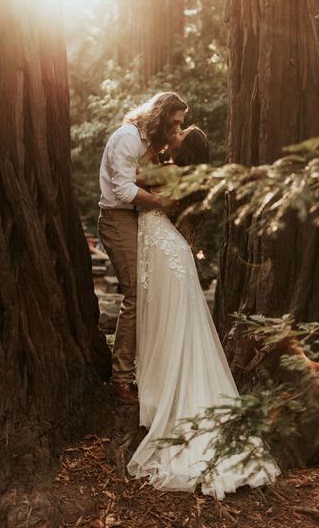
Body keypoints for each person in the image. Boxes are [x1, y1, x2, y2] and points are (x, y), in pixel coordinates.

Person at [127, 126, 280, 498]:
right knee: (167, 322)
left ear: (186, 148)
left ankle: (165, 394)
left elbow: (134, 175)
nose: (174, 135)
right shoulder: (186, 174)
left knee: (170, 324)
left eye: (181, 134)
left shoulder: (173, 172)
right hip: (166, 249)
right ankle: (159, 387)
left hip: (166, 251)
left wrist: (152, 138)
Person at [98, 92, 188, 404]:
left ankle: (146, 370)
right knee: (136, 292)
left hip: (139, 220)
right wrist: (162, 202)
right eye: (174, 123)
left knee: (152, 290)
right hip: (117, 219)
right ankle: (121, 378)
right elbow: (123, 190)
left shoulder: (149, 145)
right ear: (161, 117)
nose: (176, 129)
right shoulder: (127, 138)